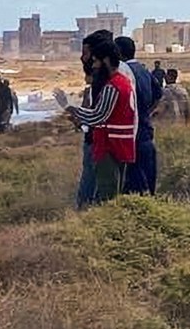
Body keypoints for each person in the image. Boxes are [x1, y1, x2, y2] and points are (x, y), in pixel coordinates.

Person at [60, 30, 137, 207]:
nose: (93, 65)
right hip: (121, 144)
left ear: (106, 61)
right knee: (113, 191)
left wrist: (71, 109)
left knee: (107, 195)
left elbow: (99, 116)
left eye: (95, 61)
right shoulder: (123, 82)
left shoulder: (114, 85)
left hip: (111, 145)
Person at [117, 37, 158, 196]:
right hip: (146, 130)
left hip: (130, 134)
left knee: (133, 181)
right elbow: (157, 94)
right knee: (148, 178)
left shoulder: (124, 72)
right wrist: (146, 112)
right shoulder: (143, 70)